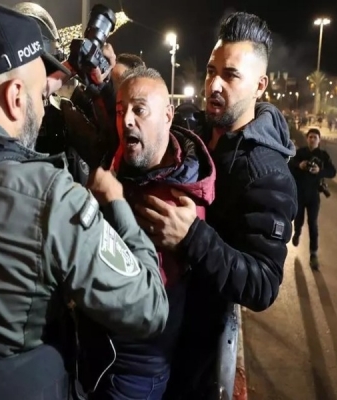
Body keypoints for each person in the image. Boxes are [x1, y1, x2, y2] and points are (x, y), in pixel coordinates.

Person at [0, 2, 169, 398]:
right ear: (16, 96)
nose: (44, 104)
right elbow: (151, 307)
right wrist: (119, 204)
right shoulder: (50, 198)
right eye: (40, 93)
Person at [149, 12, 297, 398]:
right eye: (211, 71)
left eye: (230, 75)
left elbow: (263, 283)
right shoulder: (197, 132)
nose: (213, 84)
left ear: (260, 85)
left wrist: (193, 237)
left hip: (194, 358)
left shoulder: (267, 174)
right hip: (157, 326)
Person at [89, 66, 216, 400]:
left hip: (136, 368)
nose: (126, 120)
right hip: (98, 352)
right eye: (120, 111)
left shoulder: (177, 205)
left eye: (139, 110)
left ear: (168, 116)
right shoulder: (121, 162)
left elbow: (142, 297)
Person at [289, 128, 336, 269]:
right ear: (307, 138)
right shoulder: (300, 153)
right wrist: (299, 165)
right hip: (300, 194)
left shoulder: (323, 155)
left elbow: (333, 171)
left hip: (314, 196)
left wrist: (319, 171)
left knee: (313, 224)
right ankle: (297, 233)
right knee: (298, 220)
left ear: (319, 140)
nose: (312, 139)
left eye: (315, 137)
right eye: (310, 137)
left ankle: (313, 254)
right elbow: (289, 165)